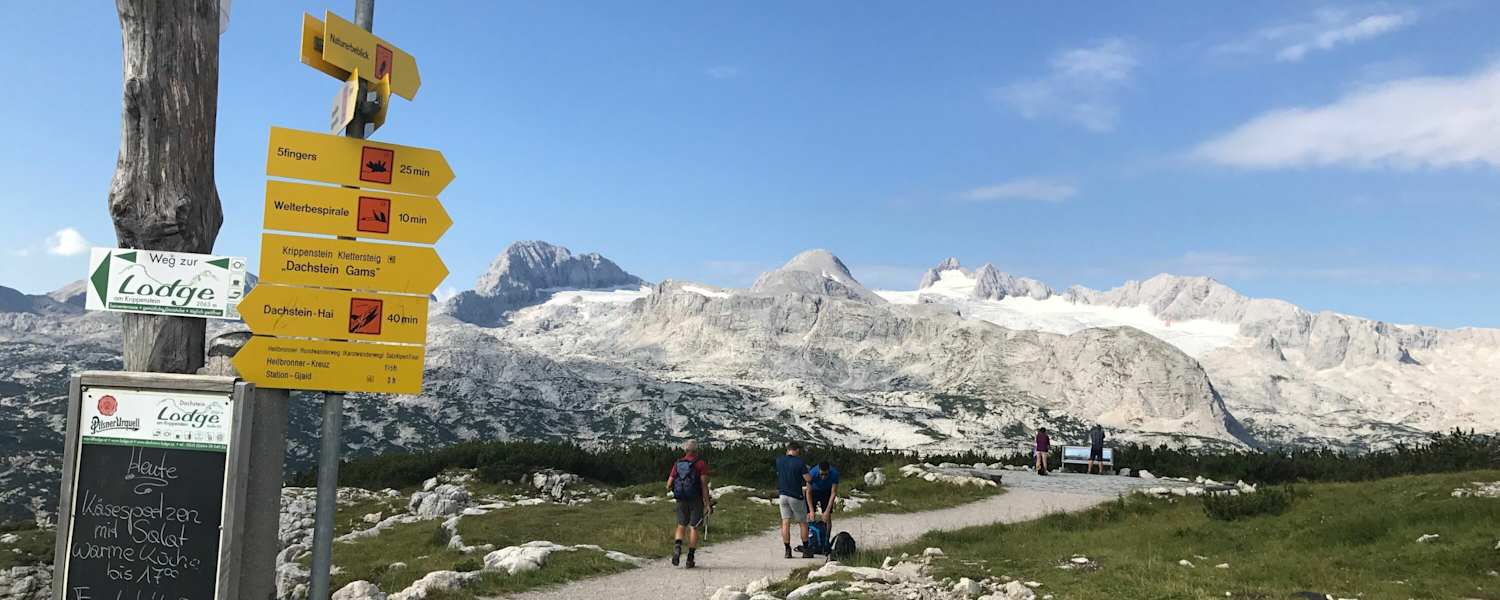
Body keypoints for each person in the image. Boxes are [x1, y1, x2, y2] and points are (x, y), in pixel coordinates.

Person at [667, 440, 710, 568]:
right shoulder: (700, 464)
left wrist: (678, 490)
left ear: (685, 450)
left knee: (681, 525)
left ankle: (677, 547)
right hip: (695, 499)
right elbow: (704, 485)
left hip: (681, 499)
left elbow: (668, 484)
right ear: (696, 451)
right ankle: (690, 558)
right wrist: (707, 503)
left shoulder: (678, 464)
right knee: (694, 527)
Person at [774, 441, 815, 559]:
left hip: (782, 495)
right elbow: (808, 478)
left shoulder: (779, 460)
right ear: (797, 450)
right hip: (796, 495)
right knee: (803, 522)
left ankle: (787, 550)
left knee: (785, 522)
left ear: (787, 450)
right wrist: (807, 470)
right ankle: (806, 550)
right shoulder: (799, 462)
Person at [809, 461, 840, 529]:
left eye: (826, 474)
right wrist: (811, 511)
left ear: (829, 471)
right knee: (809, 516)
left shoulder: (834, 473)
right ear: (819, 470)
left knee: (827, 517)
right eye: (821, 474)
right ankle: (810, 534)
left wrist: (827, 511)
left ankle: (826, 535)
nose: (823, 477)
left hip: (826, 491)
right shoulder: (812, 473)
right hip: (814, 491)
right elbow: (808, 492)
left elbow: (833, 493)